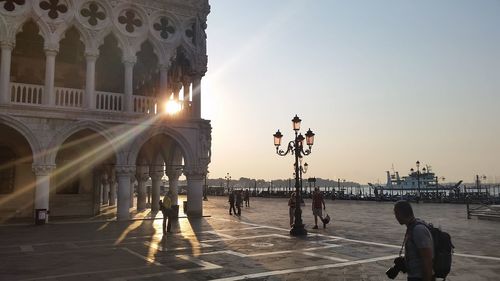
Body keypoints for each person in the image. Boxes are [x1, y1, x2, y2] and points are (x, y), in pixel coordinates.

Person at [394, 200, 434, 281]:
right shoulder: (411, 228)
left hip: (420, 277)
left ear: (400, 213)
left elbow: (427, 259)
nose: (396, 217)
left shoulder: (418, 229)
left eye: (396, 214)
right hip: (414, 276)